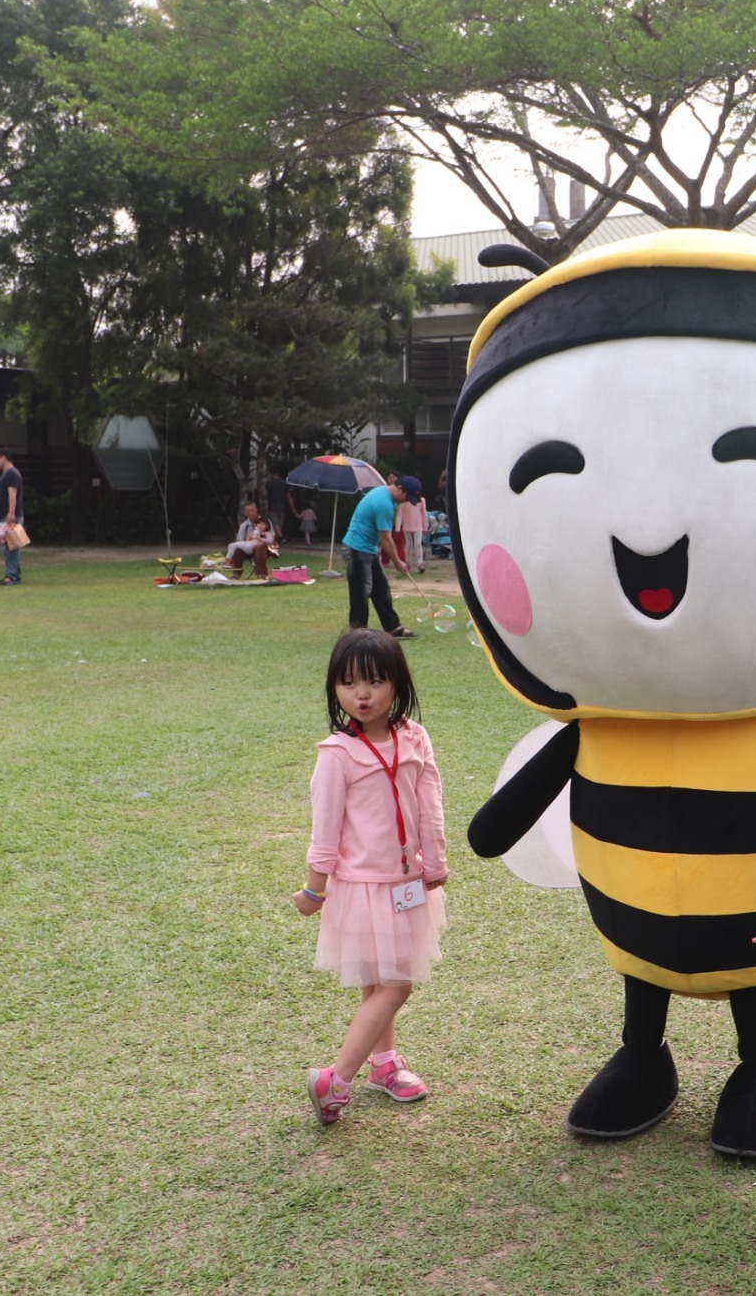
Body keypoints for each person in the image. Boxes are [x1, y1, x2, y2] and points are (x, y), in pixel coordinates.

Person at [298, 629, 450, 1123]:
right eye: (348, 683)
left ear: (397, 684)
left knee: (381, 980)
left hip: (408, 883)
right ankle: (335, 1079)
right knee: (396, 983)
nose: (361, 695)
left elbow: (430, 804)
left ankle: (384, 1065)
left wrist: (436, 861)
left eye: (374, 682)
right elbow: (325, 833)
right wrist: (312, 890)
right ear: (334, 689)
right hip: (363, 888)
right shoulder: (336, 753)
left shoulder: (414, 737)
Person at [341, 476, 418, 637]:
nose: (405, 502)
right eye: (406, 497)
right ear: (400, 489)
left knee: (380, 588)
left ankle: (392, 627)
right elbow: (386, 538)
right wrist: (398, 562)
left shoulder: (384, 494)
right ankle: (357, 630)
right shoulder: (384, 504)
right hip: (357, 548)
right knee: (361, 590)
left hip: (368, 548)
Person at [0, 446, 24, 586]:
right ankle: (14, 573)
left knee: (10, 546)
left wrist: (11, 513)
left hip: (9, 516)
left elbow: (12, 493)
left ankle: (11, 576)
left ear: (3, 458)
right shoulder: (6, 474)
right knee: (8, 546)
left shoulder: (11, 473)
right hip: (2, 516)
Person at [227, 501, 279, 578]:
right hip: (249, 548)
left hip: (265, 548)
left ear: (256, 509)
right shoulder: (244, 526)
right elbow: (240, 541)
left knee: (259, 546)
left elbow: (272, 537)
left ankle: (262, 574)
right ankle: (236, 573)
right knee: (238, 550)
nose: (251, 513)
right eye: (248, 511)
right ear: (245, 513)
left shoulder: (266, 522)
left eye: (253, 510)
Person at [398, 489, 429, 574]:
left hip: (418, 526)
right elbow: (400, 515)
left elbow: (424, 514)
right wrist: (397, 528)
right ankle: (408, 563)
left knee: (418, 544)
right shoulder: (404, 503)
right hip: (407, 527)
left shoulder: (421, 501)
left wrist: (425, 526)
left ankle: (420, 563)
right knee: (408, 545)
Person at [265, 468, 294, 542]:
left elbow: (266, 495)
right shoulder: (284, 483)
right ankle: (278, 538)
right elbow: (289, 496)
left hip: (272, 506)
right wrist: (293, 508)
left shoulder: (269, 483)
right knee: (279, 523)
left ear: (271, 474)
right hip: (282, 506)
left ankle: (280, 536)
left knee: (275, 523)